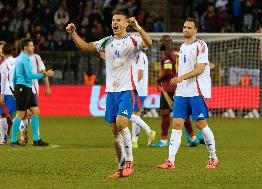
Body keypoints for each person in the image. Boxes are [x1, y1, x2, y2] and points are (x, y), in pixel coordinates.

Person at [66, 10, 152, 179]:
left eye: (118, 20)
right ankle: (120, 167)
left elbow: (149, 43)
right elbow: (85, 46)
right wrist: (73, 33)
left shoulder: (133, 39)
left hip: (126, 90)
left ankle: (130, 162)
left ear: (126, 23)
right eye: (113, 20)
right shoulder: (107, 42)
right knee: (115, 131)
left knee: (121, 123)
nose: (115, 22)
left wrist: (138, 26)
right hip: (110, 92)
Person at [157, 17, 219, 169]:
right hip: (182, 92)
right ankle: (170, 161)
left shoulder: (201, 45)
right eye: (184, 27)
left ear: (195, 30)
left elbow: (199, 69)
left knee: (201, 124)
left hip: (196, 91)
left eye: (189, 28)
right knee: (177, 123)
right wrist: (180, 83)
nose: (186, 30)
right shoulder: (183, 47)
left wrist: (180, 78)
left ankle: (213, 157)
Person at [150, 35, 200, 148]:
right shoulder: (178, 53)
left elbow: (167, 72)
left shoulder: (166, 56)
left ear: (165, 43)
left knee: (165, 113)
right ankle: (193, 137)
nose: (159, 44)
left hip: (169, 88)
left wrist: (158, 80)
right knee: (183, 114)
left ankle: (163, 140)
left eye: (161, 42)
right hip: (181, 86)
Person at [10, 38, 54, 147]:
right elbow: (30, 75)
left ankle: (36, 139)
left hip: (24, 88)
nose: (33, 47)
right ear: (25, 47)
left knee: (36, 111)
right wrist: (45, 74)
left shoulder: (20, 59)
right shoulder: (24, 59)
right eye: (31, 45)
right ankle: (14, 140)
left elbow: (14, 77)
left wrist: (15, 89)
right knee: (21, 114)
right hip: (23, 88)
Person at [20, 52, 52, 144]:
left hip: (23, 90)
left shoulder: (33, 58)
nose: (33, 47)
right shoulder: (34, 58)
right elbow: (43, 73)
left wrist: (47, 87)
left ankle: (23, 135)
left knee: (26, 114)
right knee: (33, 113)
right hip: (30, 90)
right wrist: (47, 86)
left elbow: (43, 72)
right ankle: (35, 138)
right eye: (30, 45)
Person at [130, 51, 156, 148]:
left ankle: (137, 139)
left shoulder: (139, 56)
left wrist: (133, 86)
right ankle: (134, 141)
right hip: (139, 90)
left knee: (133, 114)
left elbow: (140, 74)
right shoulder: (138, 55)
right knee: (135, 114)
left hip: (138, 90)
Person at [0, 43, 16, 144]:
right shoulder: (17, 61)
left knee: (3, 115)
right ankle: (22, 134)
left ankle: (3, 138)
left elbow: (4, 80)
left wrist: (1, 94)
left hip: (6, 91)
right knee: (19, 115)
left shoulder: (3, 64)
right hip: (17, 91)